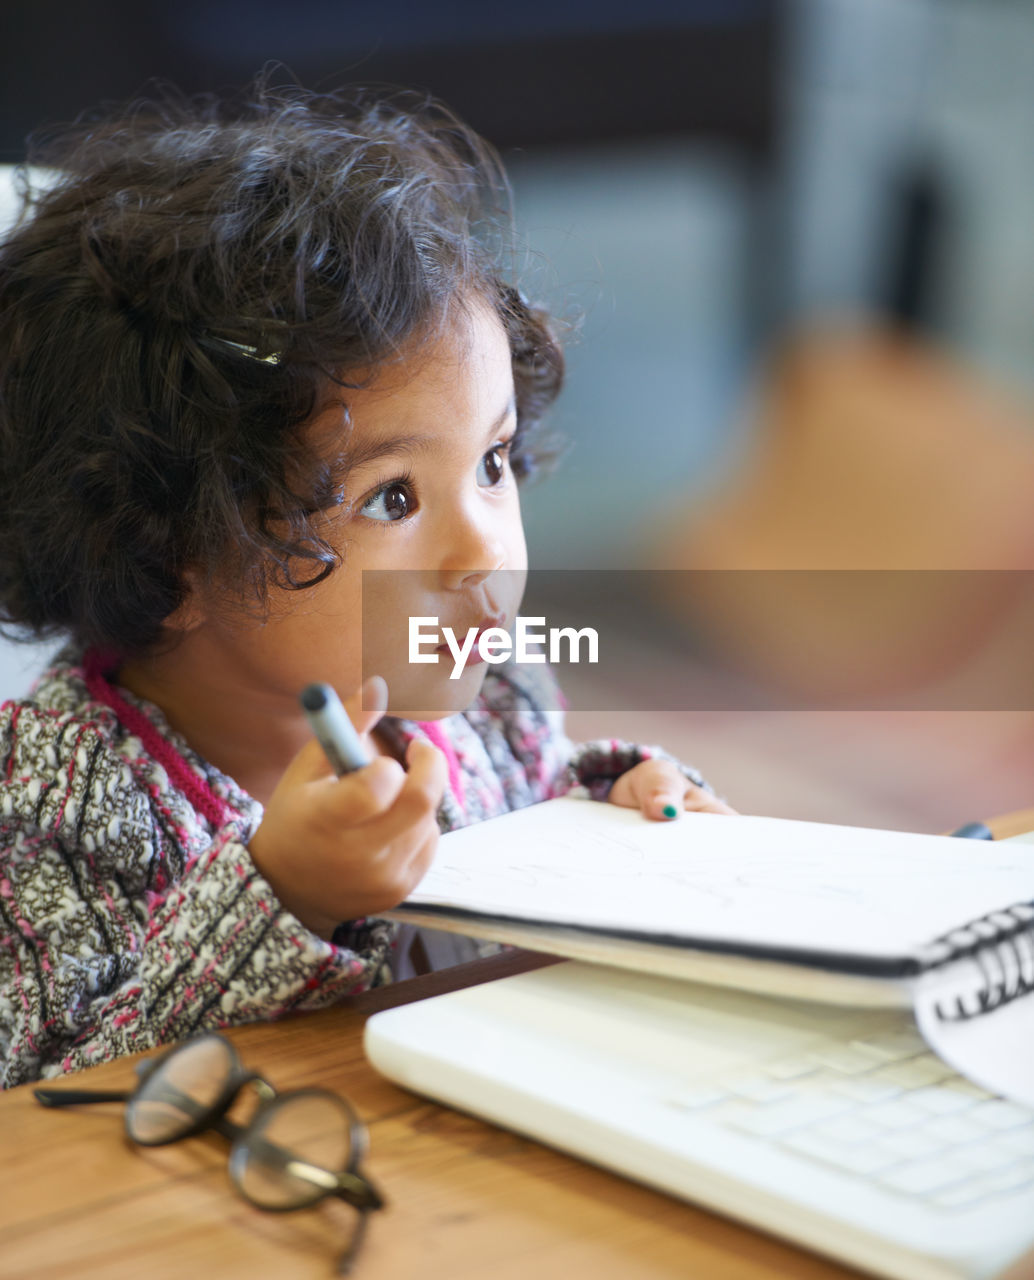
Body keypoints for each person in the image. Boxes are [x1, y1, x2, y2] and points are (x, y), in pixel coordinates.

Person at [0, 81, 732, 1089]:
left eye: (490, 461)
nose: (482, 554)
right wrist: (285, 895)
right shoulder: (62, 805)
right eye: (392, 498)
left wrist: (617, 800)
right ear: (168, 557)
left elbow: (537, 795)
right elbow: (47, 1106)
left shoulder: (483, 695)